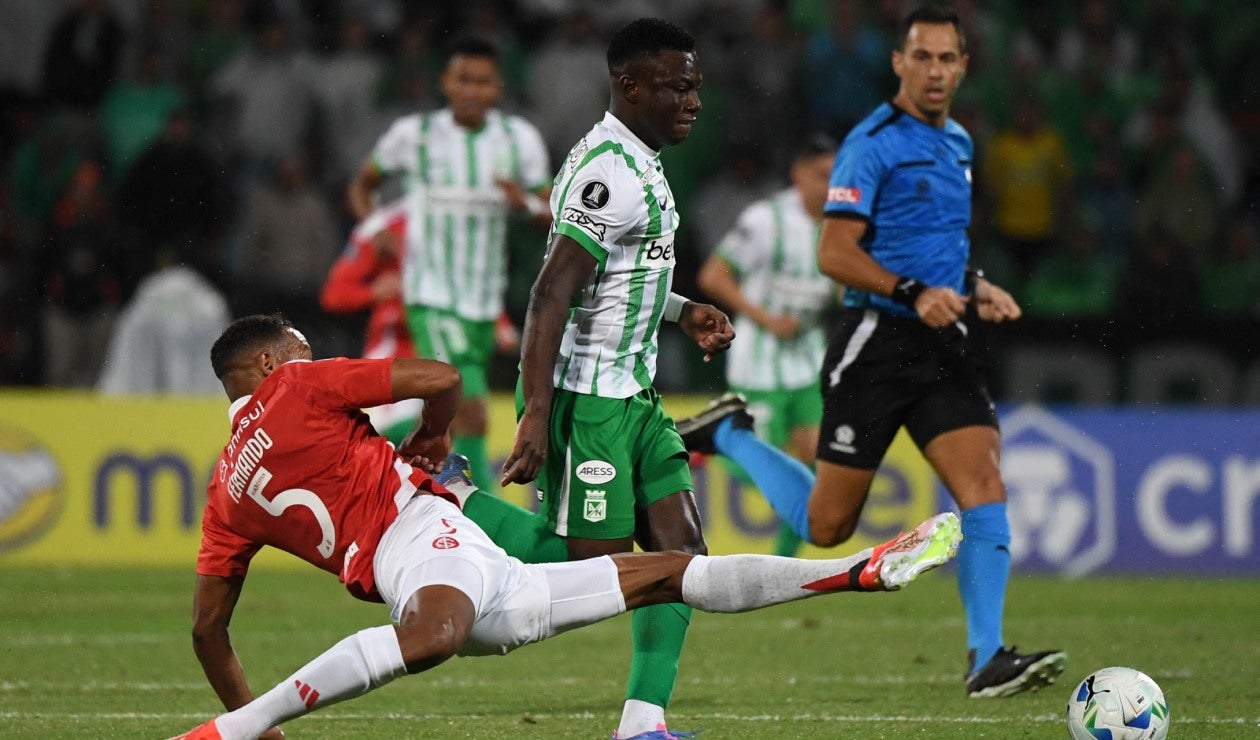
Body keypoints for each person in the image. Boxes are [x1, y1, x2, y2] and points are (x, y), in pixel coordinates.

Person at [167, 313, 962, 740]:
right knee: (439, 631)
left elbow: (209, 631)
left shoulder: (221, 493)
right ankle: (231, 731)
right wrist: (438, 430)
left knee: (666, 570)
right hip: (422, 546)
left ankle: (854, 571)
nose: (310, 357)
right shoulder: (299, 384)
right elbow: (439, 379)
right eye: (300, 349)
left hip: (466, 576)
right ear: (271, 366)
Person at [674, 6, 1066, 699]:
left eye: (948, 59)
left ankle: (986, 657)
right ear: (899, 62)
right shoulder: (871, 143)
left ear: (964, 65)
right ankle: (730, 433)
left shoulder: (959, 145)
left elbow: (934, 243)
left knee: (983, 481)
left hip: (945, 341)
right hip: (876, 344)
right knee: (828, 526)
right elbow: (836, 253)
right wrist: (913, 291)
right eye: (924, 58)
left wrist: (974, 285)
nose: (936, 71)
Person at [499, 18, 735, 740]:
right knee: (589, 575)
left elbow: (622, 281)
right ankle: (445, 508)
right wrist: (537, 414)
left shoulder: (644, 160)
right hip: (585, 400)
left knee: (682, 562)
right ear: (630, 86)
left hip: (634, 397)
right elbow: (549, 294)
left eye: (695, 86)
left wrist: (684, 308)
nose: (692, 100)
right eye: (675, 86)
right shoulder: (608, 171)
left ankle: (641, 724)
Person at [348, 35, 551, 493]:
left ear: (498, 87)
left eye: (483, 82)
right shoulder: (414, 136)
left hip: (483, 300)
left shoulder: (519, 141)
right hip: (431, 295)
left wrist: (527, 206)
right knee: (469, 407)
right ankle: (480, 515)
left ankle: (385, 468)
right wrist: (375, 228)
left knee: (466, 420)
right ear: (446, 82)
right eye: (463, 80)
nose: (472, 91)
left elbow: (553, 214)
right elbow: (362, 185)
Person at [693, 134, 840, 558]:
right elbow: (713, 276)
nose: (829, 186)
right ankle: (714, 440)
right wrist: (765, 318)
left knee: (815, 460)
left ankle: (782, 563)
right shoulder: (765, 220)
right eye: (821, 176)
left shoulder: (843, 225)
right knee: (759, 466)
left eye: (836, 176)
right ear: (798, 175)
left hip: (807, 362)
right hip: (759, 363)